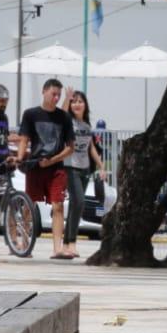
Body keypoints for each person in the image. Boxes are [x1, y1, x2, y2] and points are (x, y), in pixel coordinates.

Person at [16, 78, 75, 259]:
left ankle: (57, 248)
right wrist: (19, 159)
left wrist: (53, 160)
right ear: (44, 92)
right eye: (53, 94)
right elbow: (24, 140)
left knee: (58, 206)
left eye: (58, 95)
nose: (56, 98)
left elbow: (70, 147)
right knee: (29, 205)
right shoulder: (30, 114)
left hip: (56, 168)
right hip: (35, 165)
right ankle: (24, 242)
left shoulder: (64, 117)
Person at [63, 90, 105, 259]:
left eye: (80, 101)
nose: (77, 104)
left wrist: (101, 167)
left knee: (75, 206)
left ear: (85, 105)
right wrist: (67, 98)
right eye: (75, 102)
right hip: (70, 167)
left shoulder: (87, 126)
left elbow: (91, 148)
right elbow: (62, 113)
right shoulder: (68, 122)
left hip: (85, 169)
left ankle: (66, 244)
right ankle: (72, 242)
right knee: (79, 201)